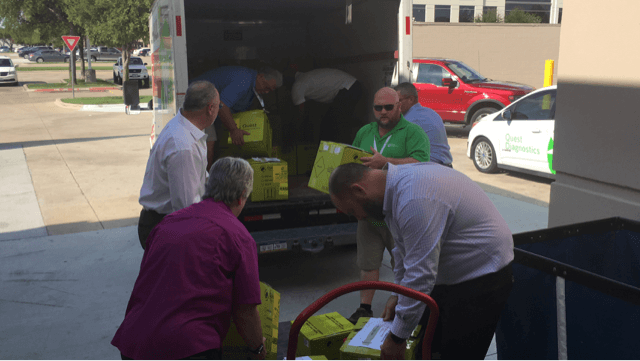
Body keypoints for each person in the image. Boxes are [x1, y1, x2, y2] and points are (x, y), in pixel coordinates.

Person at [328, 162, 514, 360]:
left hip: (483, 276)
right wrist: (398, 294)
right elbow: (402, 252)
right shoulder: (393, 191)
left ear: (358, 190)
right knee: (425, 344)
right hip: (451, 276)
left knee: (456, 354)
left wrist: (397, 339)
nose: (359, 218)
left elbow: (421, 275)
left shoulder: (414, 197)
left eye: (351, 211)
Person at [112, 157, 266, 361]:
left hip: (134, 343)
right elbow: (245, 311)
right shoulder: (238, 236)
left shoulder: (168, 223)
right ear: (240, 197)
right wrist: (257, 350)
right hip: (187, 348)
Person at [347, 87, 431, 324]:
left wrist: (386, 162)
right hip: (368, 213)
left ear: (399, 106)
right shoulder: (365, 131)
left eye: (388, 107)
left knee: (403, 265)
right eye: (378, 108)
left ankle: (405, 310)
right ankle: (364, 307)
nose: (382, 112)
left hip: (398, 212)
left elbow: (421, 164)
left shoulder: (413, 133)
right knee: (367, 262)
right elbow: (350, 159)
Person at [137, 80, 219, 250]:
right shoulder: (183, 146)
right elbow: (186, 208)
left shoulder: (186, 128)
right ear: (210, 108)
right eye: (219, 105)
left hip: (167, 222)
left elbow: (199, 181)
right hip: (165, 226)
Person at [192, 66, 283, 170]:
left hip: (210, 107)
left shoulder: (252, 87)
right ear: (261, 77)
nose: (266, 92)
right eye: (266, 87)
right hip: (197, 102)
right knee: (209, 142)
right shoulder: (244, 80)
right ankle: (204, 181)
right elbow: (222, 105)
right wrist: (233, 129)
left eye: (269, 90)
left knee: (220, 141)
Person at [291, 68, 363, 144]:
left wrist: (297, 135)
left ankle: (344, 152)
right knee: (330, 125)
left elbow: (300, 115)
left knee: (336, 125)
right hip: (350, 86)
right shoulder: (304, 78)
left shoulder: (297, 86)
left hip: (348, 88)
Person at [395, 82, 453, 167]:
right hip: (446, 166)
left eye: (398, 101)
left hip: (429, 169)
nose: (395, 105)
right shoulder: (431, 113)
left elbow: (396, 151)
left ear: (411, 99)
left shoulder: (409, 120)